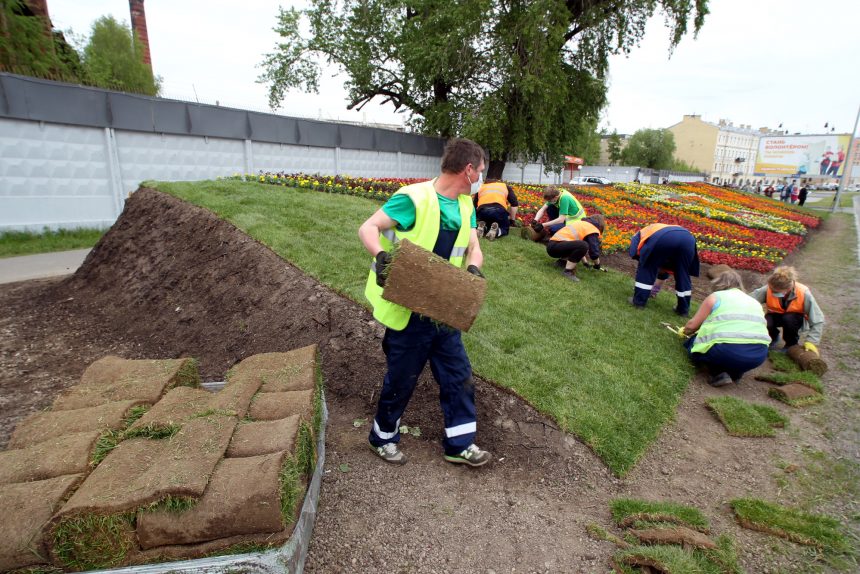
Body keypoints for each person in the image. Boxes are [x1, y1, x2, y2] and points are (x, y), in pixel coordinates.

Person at [358, 137, 491, 467]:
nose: (482, 179)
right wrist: (382, 257)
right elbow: (368, 228)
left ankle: (459, 445)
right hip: (410, 309)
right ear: (468, 169)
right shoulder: (414, 198)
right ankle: (383, 437)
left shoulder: (464, 205)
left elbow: (474, 246)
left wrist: (474, 268)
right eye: (482, 171)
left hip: (445, 308)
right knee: (402, 378)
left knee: (458, 374)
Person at [679, 269, 770, 387]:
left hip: (727, 352)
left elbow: (692, 326)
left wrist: (684, 331)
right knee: (735, 353)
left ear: (718, 283)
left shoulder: (716, 297)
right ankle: (735, 372)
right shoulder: (754, 302)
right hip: (758, 355)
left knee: (693, 345)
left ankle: (718, 373)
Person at [627, 223, 700, 316]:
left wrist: (644, 263)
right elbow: (665, 267)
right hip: (688, 239)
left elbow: (635, 254)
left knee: (647, 266)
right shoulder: (654, 229)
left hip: (664, 237)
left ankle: (638, 301)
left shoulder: (636, 237)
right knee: (682, 274)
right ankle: (683, 309)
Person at [749, 266, 824, 354]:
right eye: (772, 290)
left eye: (776, 292)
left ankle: (791, 344)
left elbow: (817, 319)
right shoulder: (769, 288)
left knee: (788, 319)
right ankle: (773, 337)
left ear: (788, 289)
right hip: (775, 316)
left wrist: (811, 341)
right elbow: (749, 300)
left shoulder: (803, 293)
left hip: (793, 319)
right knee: (766, 321)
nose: (772, 292)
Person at [544, 214, 605, 282]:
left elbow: (577, 247)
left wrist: (585, 263)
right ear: (600, 225)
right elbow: (594, 252)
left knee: (581, 245)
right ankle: (568, 272)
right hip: (556, 247)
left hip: (552, 246)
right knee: (583, 245)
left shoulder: (582, 223)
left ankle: (561, 262)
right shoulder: (592, 229)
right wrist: (597, 264)